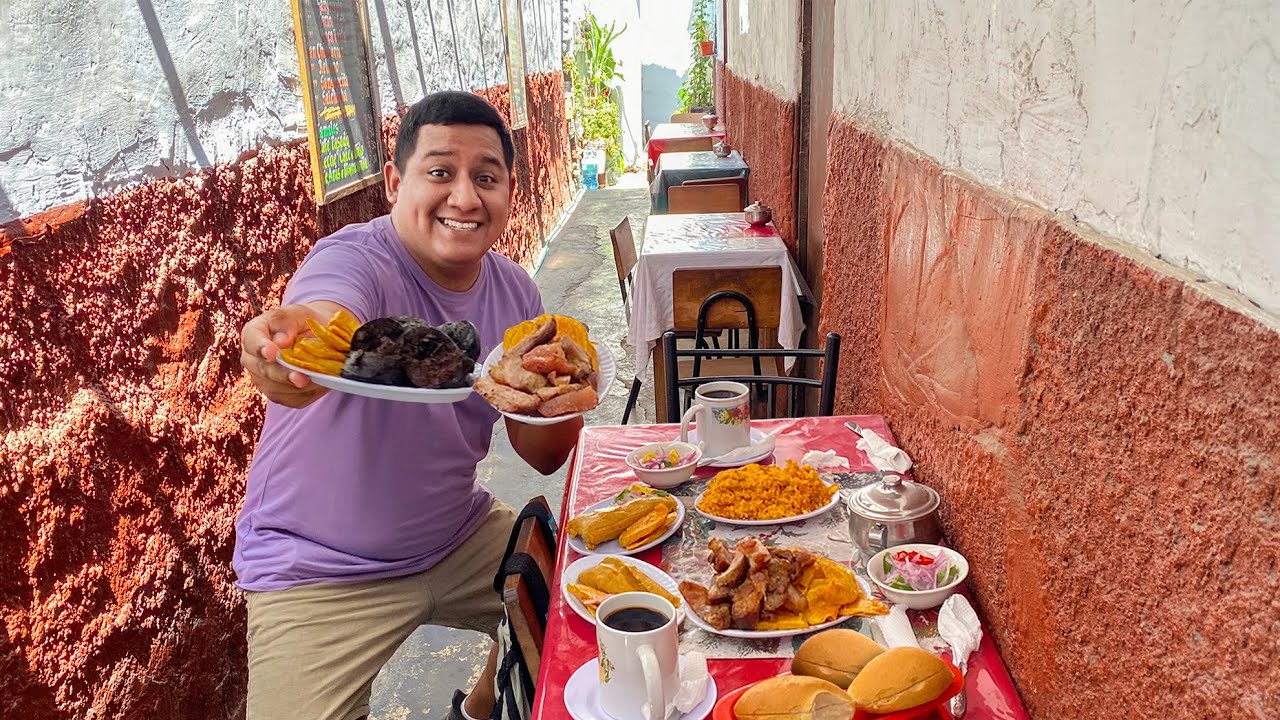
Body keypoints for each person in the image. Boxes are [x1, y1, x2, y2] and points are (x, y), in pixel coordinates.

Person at [235, 91, 582, 720]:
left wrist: (557, 389)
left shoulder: (515, 292)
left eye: (487, 177)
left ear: (510, 190)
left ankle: (479, 708)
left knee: (577, 609)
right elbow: (325, 314)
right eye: (441, 172)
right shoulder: (355, 257)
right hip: (317, 571)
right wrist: (291, 345)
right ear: (396, 181)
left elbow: (545, 456)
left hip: (456, 538)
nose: (465, 198)